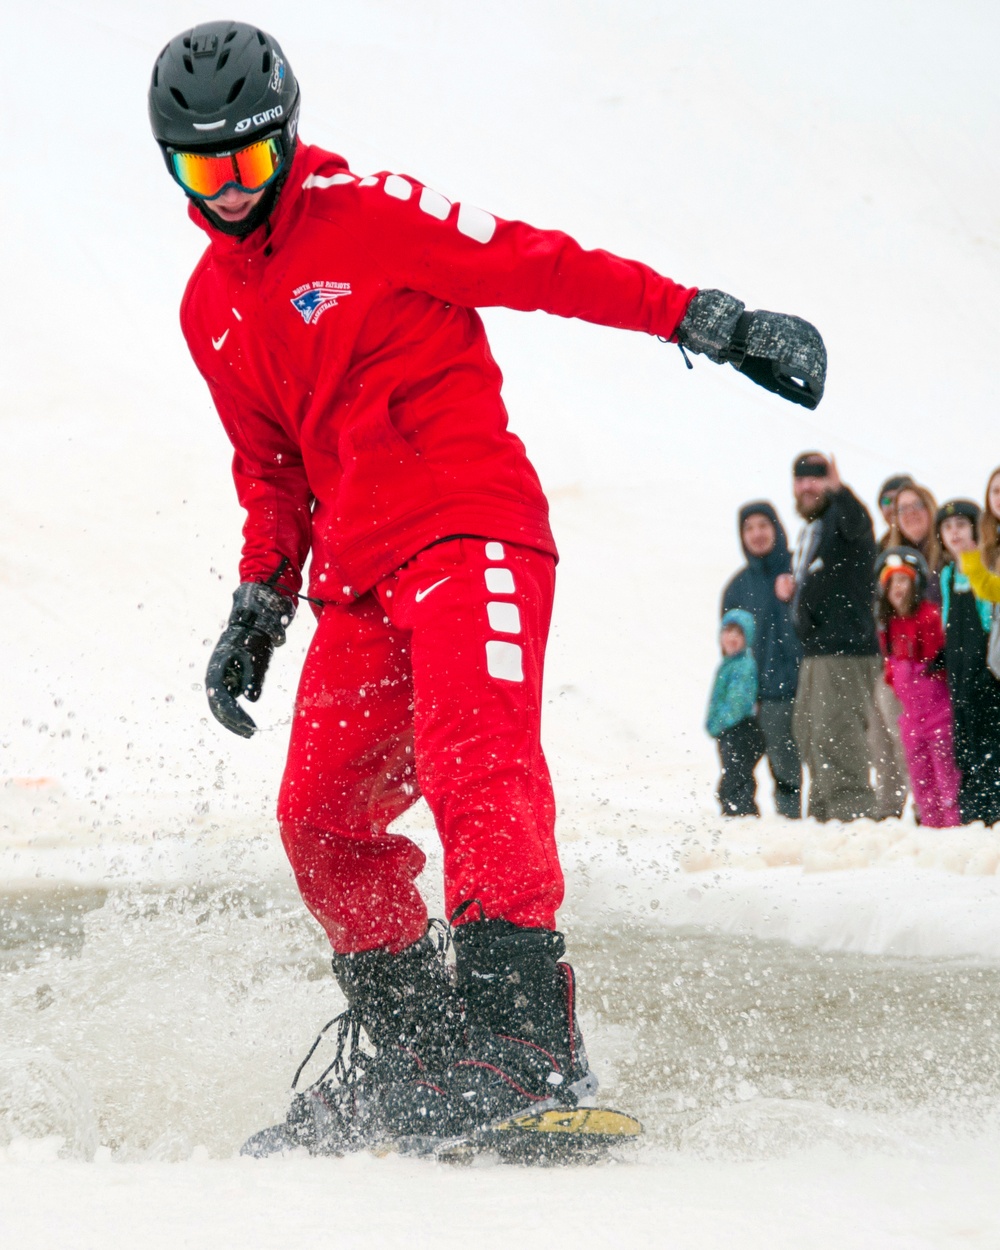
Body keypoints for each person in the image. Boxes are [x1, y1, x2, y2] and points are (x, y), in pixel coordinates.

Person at [147, 20, 827, 1154]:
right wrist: (258, 603)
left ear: (288, 137)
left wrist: (706, 316)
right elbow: (269, 470)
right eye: (202, 170)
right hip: (358, 581)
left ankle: (521, 1041)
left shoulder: (368, 212)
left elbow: (533, 262)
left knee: (477, 759)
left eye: (249, 164)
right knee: (319, 818)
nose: (229, 191)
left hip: (471, 530)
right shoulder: (207, 308)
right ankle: (416, 1050)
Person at [788, 453, 879, 821]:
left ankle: (853, 821)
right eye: (802, 479)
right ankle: (825, 819)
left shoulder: (843, 521)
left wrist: (842, 493)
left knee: (838, 737)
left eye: (818, 477)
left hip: (846, 650)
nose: (809, 485)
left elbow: (859, 523)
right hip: (817, 651)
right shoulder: (815, 529)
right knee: (810, 735)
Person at [721, 503, 802, 816]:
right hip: (767, 694)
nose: (757, 533)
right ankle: (792, 828)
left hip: (809, 684)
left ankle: (829, 830)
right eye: (749, 527)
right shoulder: (737, 588)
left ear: (776, 529)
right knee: (784, 769)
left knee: (823, 762)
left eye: (763, 525)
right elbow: (730, 650)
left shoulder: (798, 568)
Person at [875, 549, 960, 828]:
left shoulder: (928, 616)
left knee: (946, 776)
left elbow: (939, 664)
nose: (897, 588)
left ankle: (954, 826)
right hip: (911, 717)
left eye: (903, 581)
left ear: (916, 584)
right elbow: (892, 670)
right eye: (891, 583)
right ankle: (931, 826)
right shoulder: (889, 626)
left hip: (937, 713)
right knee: (920, 777)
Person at [936, 500, 1000, 825]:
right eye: (947, 527)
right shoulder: (947, 574)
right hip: (958, 678)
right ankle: (972, 818)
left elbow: (988, 620)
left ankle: (994, 815)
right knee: (965, 751)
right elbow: (949, 620)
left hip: (985, 675)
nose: (955, 532)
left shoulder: (986, 565)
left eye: (961, 524)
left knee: (991, 748)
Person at [706, 610, 765, 816]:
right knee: (734, 778)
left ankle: (742, 818)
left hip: (740, 730)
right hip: (729, 730)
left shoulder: (744, 665)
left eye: (738, 634)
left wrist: (719, 723)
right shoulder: (729, 664)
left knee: (735, 782)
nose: (731, 638)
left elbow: (738, 702)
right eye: (727, 632)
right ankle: (737, 815)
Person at [888, 483, 942, 601]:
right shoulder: (891, 563)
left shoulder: (946, 556)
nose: (910, 512)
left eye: (917, 505)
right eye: (902, 509)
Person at [876, 474, 914, 552]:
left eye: (898, 500)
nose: (893, 507)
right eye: (886, 501)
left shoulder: (931, 544)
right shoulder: (877, 550)